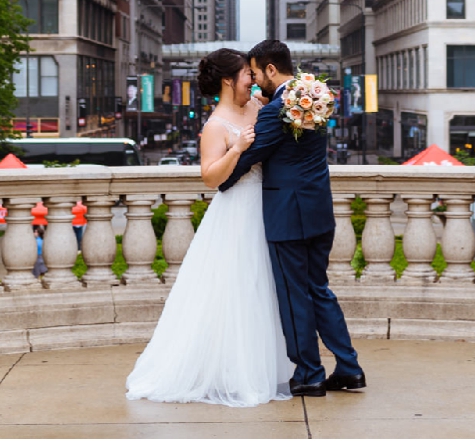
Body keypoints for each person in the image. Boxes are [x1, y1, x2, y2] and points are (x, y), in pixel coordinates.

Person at [125, 48, 293, 407]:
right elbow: (210, 177)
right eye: (247, 74)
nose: (253, 78)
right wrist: (236, 150)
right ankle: (230, 372)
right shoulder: (215, 125)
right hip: (236, 211)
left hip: (266, 207)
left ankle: (265, 366)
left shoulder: (259, 106)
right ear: (228, 80)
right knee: (235, 289)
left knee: (262, 289)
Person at [220, 39, 365, 397]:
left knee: (294, 295)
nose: (254, 83)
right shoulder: (315, 95)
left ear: (271, 69)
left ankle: (310, 372)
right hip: (318, 208)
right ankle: (349, 367)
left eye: (256, 73)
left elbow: (254, 154)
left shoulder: (276, 109)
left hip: (288, 214)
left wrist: (222, 180)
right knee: (319, 289)